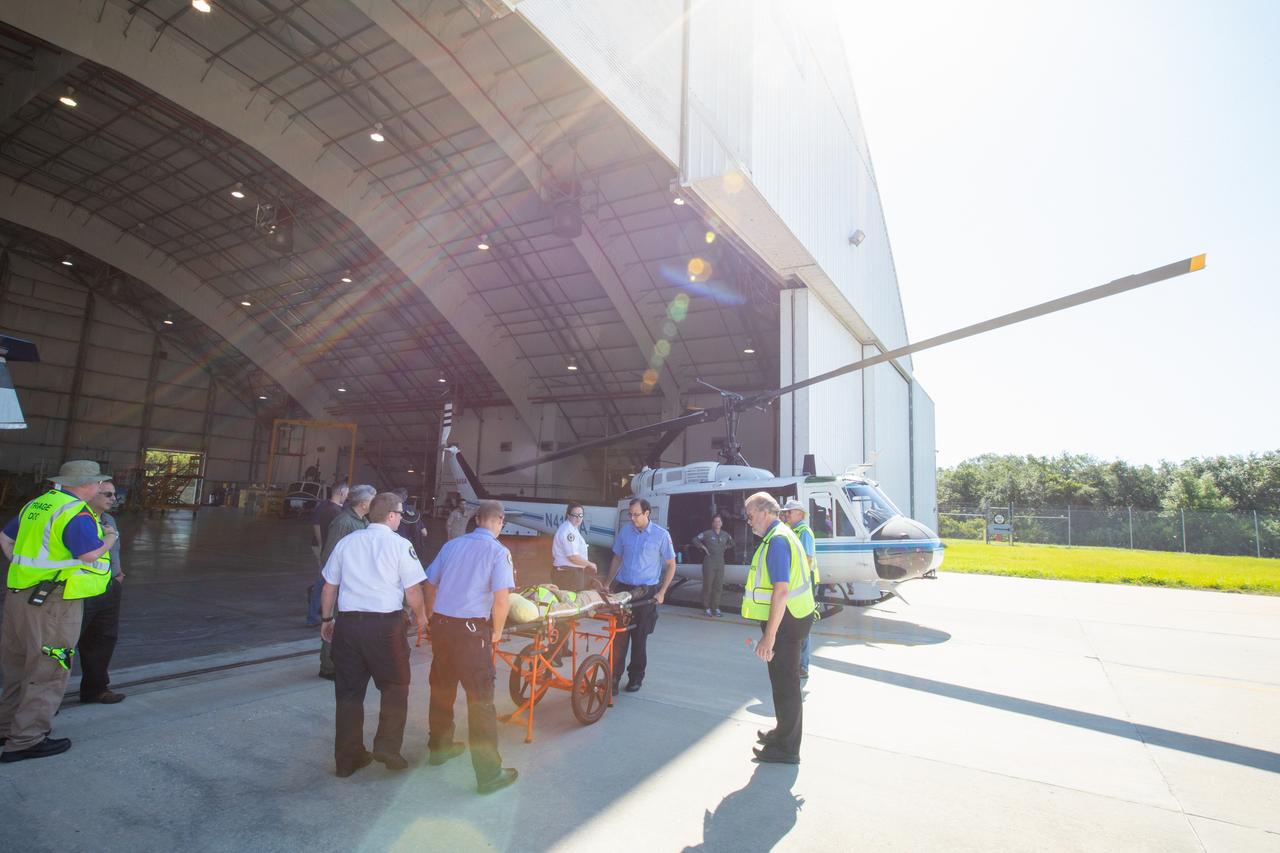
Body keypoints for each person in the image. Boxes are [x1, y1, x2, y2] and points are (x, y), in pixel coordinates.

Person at [0, 461, 116, 762]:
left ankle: (5, 726)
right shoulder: (75, 513)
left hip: (19, 596)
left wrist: (23, 565)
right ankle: (26, 740)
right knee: (49, 668)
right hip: (53, 602)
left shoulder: (38, 505)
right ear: (87, 485)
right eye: (98, 483)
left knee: (17, 664)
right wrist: (110, 540)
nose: (101, 488)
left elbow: (5, 537)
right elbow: (89, 554)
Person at [318, 492, 427, 777]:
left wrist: (327, 619)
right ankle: (387, 747)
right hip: (385, 629)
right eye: (401, 514)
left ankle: (347, 759)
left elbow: (329, 586)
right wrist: (423, 617)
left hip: (349, 626)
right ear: (391, 515)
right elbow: (412, 590)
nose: (401, 519)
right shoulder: (400, 545)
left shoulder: (347, 543)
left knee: (349, 694)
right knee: (395, 687)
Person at [424, 499, 518, 794]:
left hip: (441, 627)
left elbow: (429, 584)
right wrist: (497, 633)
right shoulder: (499, 552)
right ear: (500, 522)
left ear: (477, 519)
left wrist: (430, 616)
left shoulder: (452, 546)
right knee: (481, 701)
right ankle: (489, 775)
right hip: (470, 631)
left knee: (442, 687)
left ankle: (439, 747)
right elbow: (501, 600)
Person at [742, 492, 815, 765]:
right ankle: (783, 732)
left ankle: (787, 748)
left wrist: (768, 637)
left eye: (749, 516)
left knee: (786, 684)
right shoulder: (781, 534)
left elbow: (781, 591)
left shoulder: (778, 541)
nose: (748, 522)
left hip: (787, 622)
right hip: (794, 617)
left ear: (764, 512)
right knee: (783, 681)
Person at [604, 498, 676, 694]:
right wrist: (607, 583)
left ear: (647, 514)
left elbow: (671, 564)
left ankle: (635, 677)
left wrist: (662, 592)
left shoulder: (661, 535)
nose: (632, 518)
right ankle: (613, 678)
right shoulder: (625, 532)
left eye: (636, 514)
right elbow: (617, 557)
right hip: (624, 590)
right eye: (630, 514)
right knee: (619, 636)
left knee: (639, 637)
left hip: (646, 593)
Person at [317, 484, 375, 680]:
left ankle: (342, 662)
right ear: (364, 503)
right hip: (342, 584)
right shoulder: (343, 522)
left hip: (355, 584)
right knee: (334, 624)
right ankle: (328, 667)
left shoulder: (363, 522)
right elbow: (329, 555)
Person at [77, 484, 126, 704]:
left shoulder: (109, 520)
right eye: (108, 494)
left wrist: (117, 575)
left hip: (108, 587)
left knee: (102, 639)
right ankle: (44, 699)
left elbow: (113, 551)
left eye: (114, 494)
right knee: (62, 644)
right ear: (90, 493)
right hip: (80, 589)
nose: (113, 498)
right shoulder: (76, 518)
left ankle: (96, 689)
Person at [781, 499, 819, 679]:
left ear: (799, 513)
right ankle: (797, 662)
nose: (786, 514)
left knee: (802, 623)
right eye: (786, 512)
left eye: (789, 512)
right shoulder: (793, 530)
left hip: (803, 582)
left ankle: (803, 665)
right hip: (799, 581)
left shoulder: (803, 532)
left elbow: (807, 559)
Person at [307, 482, 349, 627]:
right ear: (341, 492)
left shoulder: (325, 506)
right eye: (347, 493)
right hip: (327, 549)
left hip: (325, 548)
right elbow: (316, 525)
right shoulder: (335, 511)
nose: (347, 496)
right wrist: (321, 546)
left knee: (323, 582)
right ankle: (317, 615)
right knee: (324, 582)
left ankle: (316, 613)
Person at [693, 514, 734, 617]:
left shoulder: (725, 534)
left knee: (718, 586)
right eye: (715, 521)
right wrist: (703, 547)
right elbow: (695, 540)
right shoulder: (707, 533)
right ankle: (706, 608)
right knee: (708, 586)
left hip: (720, 562)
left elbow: (732, 542)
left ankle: (715, 607)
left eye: (719, 521)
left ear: (722, 523)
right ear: (712, 523)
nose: (717, 523)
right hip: (709, 562)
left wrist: (726, 547)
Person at [551, 502, 597, 591]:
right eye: (575, 515)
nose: (578, 518)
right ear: (568, 516)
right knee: (571, 603)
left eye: (580, 515)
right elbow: (572, 557)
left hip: (569, 574)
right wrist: (591, 564)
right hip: (568, 575)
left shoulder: (572, 529)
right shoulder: (569, 531)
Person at [391, 488, 429, 560]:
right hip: (408, 547)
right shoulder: (412, 512)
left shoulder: (387, 510)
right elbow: (425, 533)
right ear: (405, 498)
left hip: (392, 546)